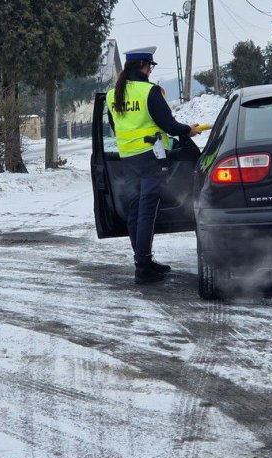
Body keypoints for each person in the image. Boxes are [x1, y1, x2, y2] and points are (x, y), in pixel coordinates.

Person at [107, 47, 200, 284]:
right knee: (147, 210)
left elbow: (115, 126)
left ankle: (142, 262)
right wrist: (189, 130)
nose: (151, 70)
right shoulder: (149, 91)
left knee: (135, 210)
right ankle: (144, 266)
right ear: (143, 66)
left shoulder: (112, 95)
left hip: (128, 159)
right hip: (151, 158)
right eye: (150, 66)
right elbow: (169, 125)